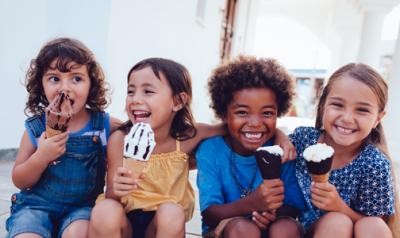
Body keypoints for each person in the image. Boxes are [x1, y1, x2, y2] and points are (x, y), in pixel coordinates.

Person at [5, 37, 121, 238]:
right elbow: (19, 179)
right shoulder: (36, 128)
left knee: (78, 233)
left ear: (90, 84)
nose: (64, 88)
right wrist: (42, 156)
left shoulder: (101, 124)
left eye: (76, 78)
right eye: (54, 79)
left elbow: (138, 130)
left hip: (82, 208)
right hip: (35, 206)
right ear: (41, 85)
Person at [196, 56, 306, 238]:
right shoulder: (211, 150)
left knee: (286, 227)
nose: (255, 123)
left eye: (267, 113)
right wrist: (253, 203)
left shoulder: (282, 150)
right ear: (224, 113)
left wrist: (270, 214)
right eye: (242, 112)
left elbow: (292, 206)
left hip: (269, 227)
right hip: (226, 229)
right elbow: (210, 214)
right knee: (243, 229)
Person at [290, 63, 400, 238]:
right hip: (302, 230)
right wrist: (281, 138)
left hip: (351, 231)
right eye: (338, 105)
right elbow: (275, 149)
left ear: (378, 118)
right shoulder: (303, 140)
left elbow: (376, 223)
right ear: (322, 105)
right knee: (336, 223)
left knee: (368, 225)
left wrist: (339, 207)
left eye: (362, 110)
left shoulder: (375, 164)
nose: (347, 118)